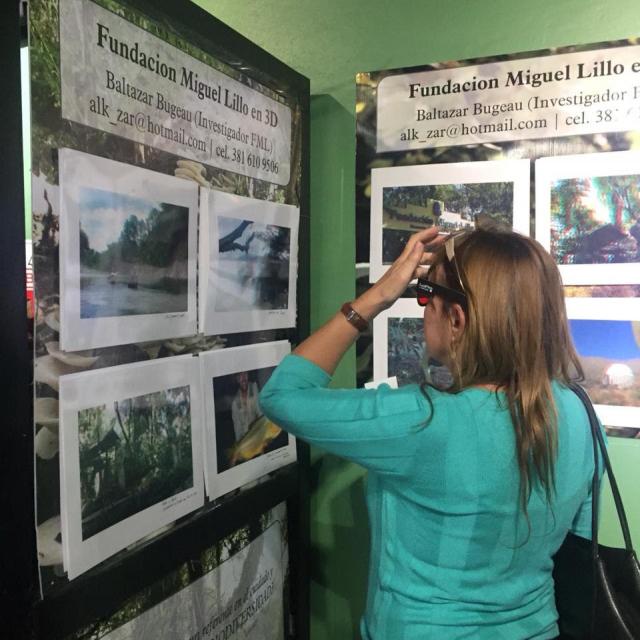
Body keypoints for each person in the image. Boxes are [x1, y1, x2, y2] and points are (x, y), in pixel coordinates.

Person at [259, 226, 603, 640]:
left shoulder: (422, 421)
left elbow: (282, 395)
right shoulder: (580, 412)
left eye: (425, 298)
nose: (424, 309)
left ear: (456, 319)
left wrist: (377, 296)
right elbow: (579, 545)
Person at [231, 371, 260, 443]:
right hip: (245, 441)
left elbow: (260, 412)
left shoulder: (254, 388)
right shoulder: (235, 403)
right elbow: (237, 429)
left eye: (245, 374)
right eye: (240, 375)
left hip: (257, 436)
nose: (243, 378)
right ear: (237, 379)